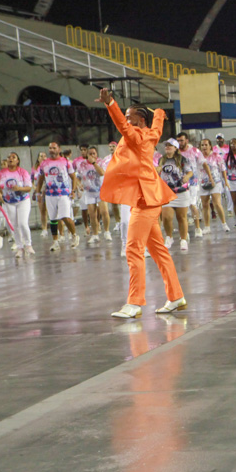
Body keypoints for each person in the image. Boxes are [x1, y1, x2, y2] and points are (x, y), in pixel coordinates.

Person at [97, 89, 186, 318]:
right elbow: (157, 124)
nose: (127, 120)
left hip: (145, 199)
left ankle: (134, 303)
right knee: (158, 251)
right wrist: (159, 113)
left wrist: (111, 105)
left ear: (140, 120)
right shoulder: (152, 134)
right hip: (147, 196)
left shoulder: (136, 136)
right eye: (126, 116)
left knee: (133, 249)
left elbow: (122, 127)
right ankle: (176, 297)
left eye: (130, 116)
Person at [34, 142, 80, 251]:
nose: (51, 150)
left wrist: (73, 191)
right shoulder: (44, 163)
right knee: (53, 219)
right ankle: (55, 241)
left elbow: (73, 177)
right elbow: (40, 179)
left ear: (59, 149)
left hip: (64, 194)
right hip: (50, 194)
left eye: (54, 148)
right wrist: (38, 193)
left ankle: (74, 235)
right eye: (50, 148)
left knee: (64, 216)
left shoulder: (65, 162)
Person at [0, 152, 35, 256]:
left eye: (13, 157)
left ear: (18, 161)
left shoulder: (23, 172)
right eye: (9, 157)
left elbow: (29, 188)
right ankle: (19, 247)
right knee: (15, 225)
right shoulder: (1, 173)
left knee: (22, 223)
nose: (10, 159)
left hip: (22, 200)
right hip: (9, 202)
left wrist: (19, 188)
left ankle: (28, 244)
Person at [159, 139, 193, 250]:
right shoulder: (161, 160)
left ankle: (183, 240)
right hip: (167, 193)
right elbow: (155, 171)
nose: (167, 147)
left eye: (170, 145)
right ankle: (169, 237)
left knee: (181, 217)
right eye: (166, 145)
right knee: (166, 217)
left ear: (175, 148)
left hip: (181, 192)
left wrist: (187, 177)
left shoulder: (182, 159)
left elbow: (190, 171)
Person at [75, 146, 107, 245]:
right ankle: (95, 234)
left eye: (94, 153)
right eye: (90, 154)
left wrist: (94, 163)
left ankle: (106, 231)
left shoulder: (101, 162)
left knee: (103, 211)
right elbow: (77, 177)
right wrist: (79, 184)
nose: (92, 155)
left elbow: (102, 173)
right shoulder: (82, 165)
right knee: (92, 215)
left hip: (100, 190)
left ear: (96, 154)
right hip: (89, 192)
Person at [198, 138, 231, 233]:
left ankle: (224, 224)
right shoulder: (199, 157)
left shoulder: (216, 156)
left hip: (215, 182)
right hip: (203, 182)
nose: (204, 147)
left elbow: (223, 168)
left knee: (217, 203)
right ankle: (207, 226)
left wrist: (226, 181)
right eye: (202, 145)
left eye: (206, 145)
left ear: (210, 146)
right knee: (205, 204)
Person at [176, 132, 204, 236]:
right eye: (178, 141)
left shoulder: (194, 151)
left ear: (187, 140)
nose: (180, 143)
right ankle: (185, 231)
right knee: (182, 207)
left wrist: (207, 177)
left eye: (182, 140)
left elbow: (203, 163)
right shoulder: (176, 152)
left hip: (193, 182)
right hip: (180, 183)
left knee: (192, 204)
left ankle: (197, 228)